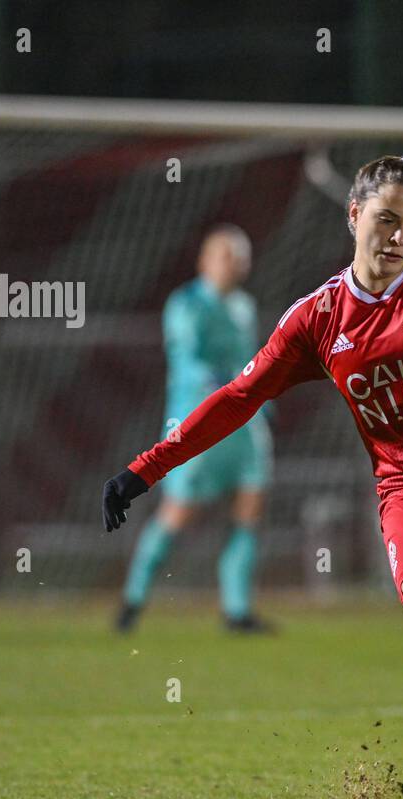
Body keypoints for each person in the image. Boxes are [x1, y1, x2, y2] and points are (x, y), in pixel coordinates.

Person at [102, 156, 403, 799]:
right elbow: (238, 398)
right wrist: (144, 469)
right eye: (386, 221)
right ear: (353, 216)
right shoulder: (317, 319)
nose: (399, 239)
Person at [115, 225, 275, 634]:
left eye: (240, 256)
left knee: (249, 509)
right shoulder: (185, 304)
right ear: (205, 260)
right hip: (197, 424)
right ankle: (132, 602)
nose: (234, 263)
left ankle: (236, 610)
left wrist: (263, 396)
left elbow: (253, 360)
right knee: (177, 513)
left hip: (244, 425)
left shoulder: (244, 305)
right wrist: (229, 380)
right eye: (226, 254)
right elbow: (187, 360)